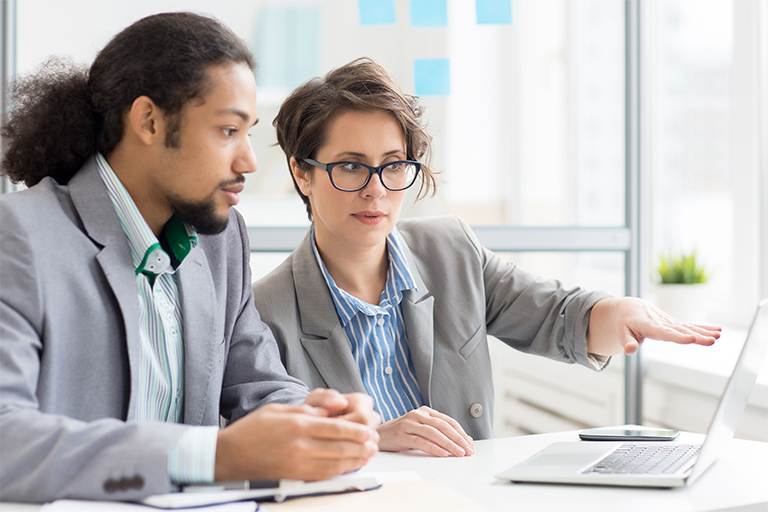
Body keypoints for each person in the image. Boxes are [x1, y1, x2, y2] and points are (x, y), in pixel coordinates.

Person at [251, 58, 721, 459]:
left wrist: (617, 312)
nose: (376, 189)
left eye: (394, 165)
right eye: (351, 166)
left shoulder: (450, 249)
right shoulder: (265, 311)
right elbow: (266, 436)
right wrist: (373, 436)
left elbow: (555, 314)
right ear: (302, 173)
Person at [0, 13, 380, 504]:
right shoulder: (21, 235)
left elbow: (259, 384)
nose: (248, 161)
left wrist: (319, 422)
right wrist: (211, 455)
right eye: (227, 131)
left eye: (249, 133)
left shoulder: (220, 240)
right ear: (149, 122)